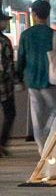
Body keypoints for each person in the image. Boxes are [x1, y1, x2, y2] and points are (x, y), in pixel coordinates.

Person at [15, 0, 56, 153]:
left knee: (36, 115)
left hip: (31, 80)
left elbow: (21, 58)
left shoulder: (25, 35)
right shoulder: (55, 35)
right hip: (50, 80)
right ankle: (46, 136)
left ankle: (40, 146)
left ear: (34, 14)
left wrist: (18, 79)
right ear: (48, 14)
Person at [0, 12, 14, 156]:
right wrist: (16, 80)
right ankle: (2, 143)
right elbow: (9, 64)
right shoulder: (4, 41)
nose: (5, 23)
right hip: (4, 85)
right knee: (10, 113)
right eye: (4, 21)